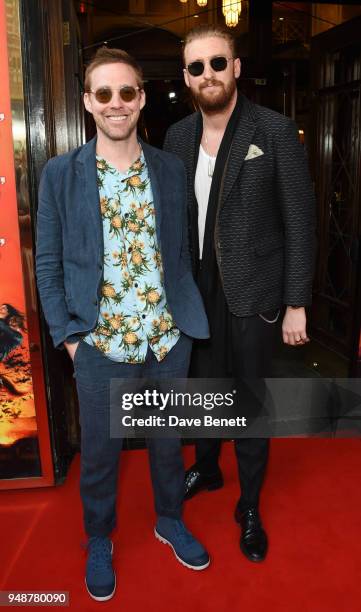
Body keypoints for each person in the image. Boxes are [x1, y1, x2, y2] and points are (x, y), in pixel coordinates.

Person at [36, 47, 210, 602]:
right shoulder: (60, 175)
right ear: (88, 102)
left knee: (166, 443)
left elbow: (182, 251)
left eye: (127, 92)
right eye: (104, 94)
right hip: (99, 344)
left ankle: (169, 519)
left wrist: (182, 322)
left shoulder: (170, 169)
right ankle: (99, 538)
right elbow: (48, 262)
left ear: (142, 98)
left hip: (167, 339)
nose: (117, 104)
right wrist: (68, 335)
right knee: (102, 452)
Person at [164, 25, 316, 563]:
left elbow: (300, 221)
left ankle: (249, 504)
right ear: (187, 76)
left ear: (236, 68)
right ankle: (207, 466)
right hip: (196, 292)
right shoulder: (178, 137)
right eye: (197, 67)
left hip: (255, 292)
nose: (208, 74)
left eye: (217, 63)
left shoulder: (273, 131)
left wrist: (297, 301)